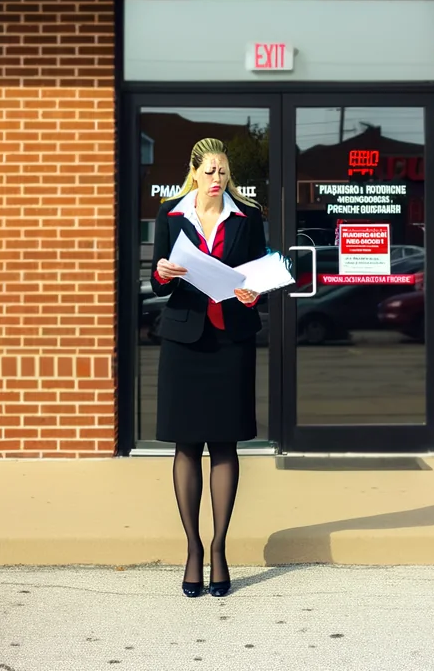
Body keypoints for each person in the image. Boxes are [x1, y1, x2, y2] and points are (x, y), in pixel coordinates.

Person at [151, 137, 269, 598]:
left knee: (224, 445)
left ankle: (219, 549)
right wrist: (162, 273)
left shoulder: (248, 217)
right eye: (209, 171)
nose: (216, 179)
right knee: (186, 445)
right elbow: (159, 283)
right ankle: (193, 549)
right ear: (194, 172)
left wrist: (253, 292)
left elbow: (256, 275)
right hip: (184, 340)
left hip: (231, 341)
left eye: (223, 171)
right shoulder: (170, 215)